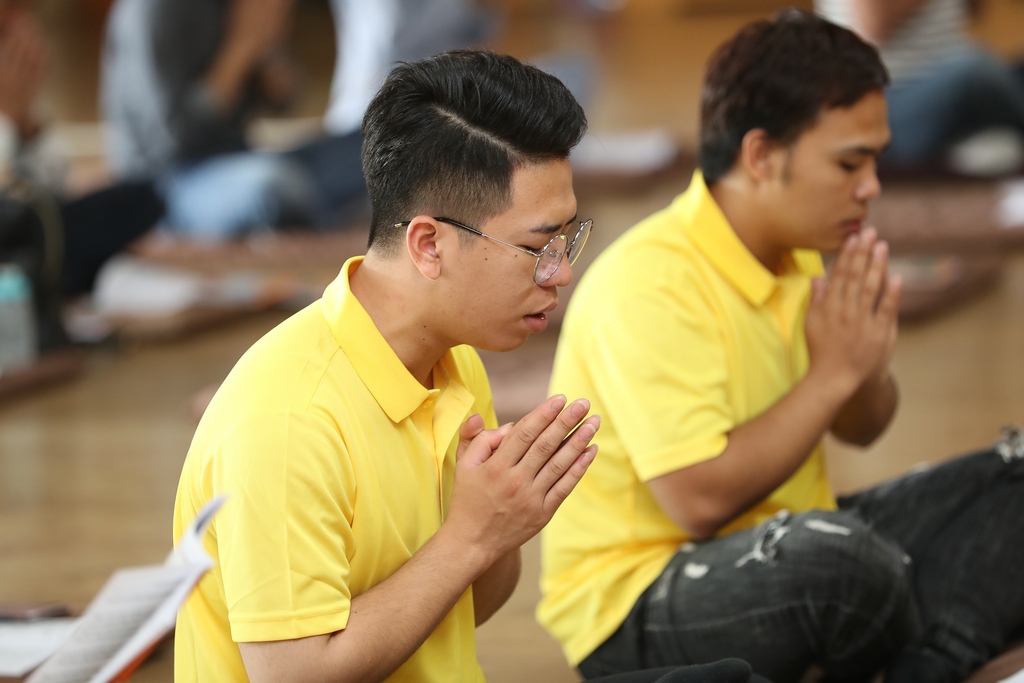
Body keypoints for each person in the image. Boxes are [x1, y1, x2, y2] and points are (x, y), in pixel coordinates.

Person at [171, 49, 767, 683]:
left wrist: (501, 523)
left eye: (567, 239)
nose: (561, 272)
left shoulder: (452, 359)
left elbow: (469, 606)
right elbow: (293, 675)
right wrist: (473, 536)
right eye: (538, 246)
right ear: (429, 244)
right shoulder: (287, 421)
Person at [538, 9, 1024, 683]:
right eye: (849, 163)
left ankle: (923, 665)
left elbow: (862, 426)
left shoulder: (794, 250)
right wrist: (832, 374)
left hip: (791, 542)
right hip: (641, 600)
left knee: (1013, 482)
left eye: (874, 159)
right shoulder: (649, 281)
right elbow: (698, 502)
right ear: (762, 156)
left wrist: (863, 365)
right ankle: (929, 650)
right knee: (845, 565)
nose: (872, 186)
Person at [0, 0, 162, 351]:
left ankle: (66, 281)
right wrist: (8, 118)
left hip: (31, 228)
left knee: (140, 198)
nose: (21, 27)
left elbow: (52, 183)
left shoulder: (10, 79)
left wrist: (25, 122)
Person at [816, 0, 1024, 174]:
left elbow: (972, 14)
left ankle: (975, 144)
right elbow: (874, 22)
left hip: (937, 88)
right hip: (882, 107)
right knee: (975, 69)